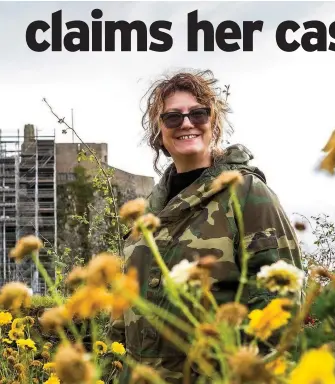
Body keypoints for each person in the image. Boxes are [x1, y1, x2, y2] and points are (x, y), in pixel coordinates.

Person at [108, 69, 304, 383]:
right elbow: (123, 313)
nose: (186, 123)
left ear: (213, 122)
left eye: (198, 113)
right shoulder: (147, 213)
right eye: (172, 117)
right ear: (159, 132)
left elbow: (281, 302)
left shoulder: (247, 194)